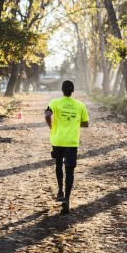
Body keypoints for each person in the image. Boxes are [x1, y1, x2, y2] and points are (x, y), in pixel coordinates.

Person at [45, 80, 89, 215]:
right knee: (70, 170)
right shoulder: (80, 105)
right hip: (71, 142)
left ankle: (60, 191)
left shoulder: (54, 102)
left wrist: (51, 126)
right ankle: (67, 200)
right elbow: (86, 123)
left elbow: (47, 115)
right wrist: (75, 123)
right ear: (72, 91)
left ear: (62, 90)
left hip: (57, 140)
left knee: (58, 164)